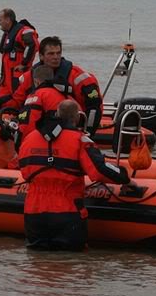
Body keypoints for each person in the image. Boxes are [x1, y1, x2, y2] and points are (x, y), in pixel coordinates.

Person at [18, 100, 135, 251]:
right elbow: (100, 170)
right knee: (71, 264)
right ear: (77, 118)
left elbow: (23, 169)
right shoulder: (79, 140)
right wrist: (126, 179)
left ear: (57, 114)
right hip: (66, 210)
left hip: (33, 212)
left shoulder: (30, 138)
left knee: (38, 263)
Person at [0, 36, 104, 134]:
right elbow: (17, 101)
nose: (55, 57)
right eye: (51, 54)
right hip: (40, 129)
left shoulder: (77, 76)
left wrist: (87, 132)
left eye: (58, 53)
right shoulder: (30, 76)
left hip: (69, 128)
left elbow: (94, 106)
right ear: (41, 56)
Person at [0, 8, 38, 109]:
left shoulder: (22, 32)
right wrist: (2, 76)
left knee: (17, 103)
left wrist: (24, 64)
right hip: (7, 80)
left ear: (8, 20)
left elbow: (32, 45)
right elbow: (6, 59)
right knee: (0, 103)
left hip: (18, 79)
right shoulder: (8, 34)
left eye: (0, 20)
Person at [15, 64, 66, 145]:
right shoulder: (65, 95)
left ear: (36, 81)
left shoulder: (36, 95)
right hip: (62, 141)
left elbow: (28, 125)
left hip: (40, 144)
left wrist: (19, 144)